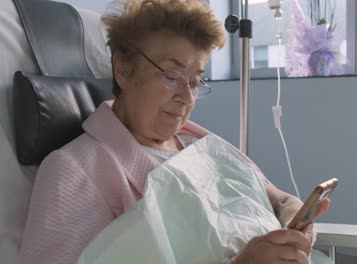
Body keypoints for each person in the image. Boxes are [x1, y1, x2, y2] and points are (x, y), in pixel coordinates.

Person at [20, 0, 330, 263]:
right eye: (172, 76)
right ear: (123, 70)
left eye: (195, 81)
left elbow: (278, 198)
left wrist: (293, 219)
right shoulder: (75, 170)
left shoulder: (201, 142)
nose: (187, 96)